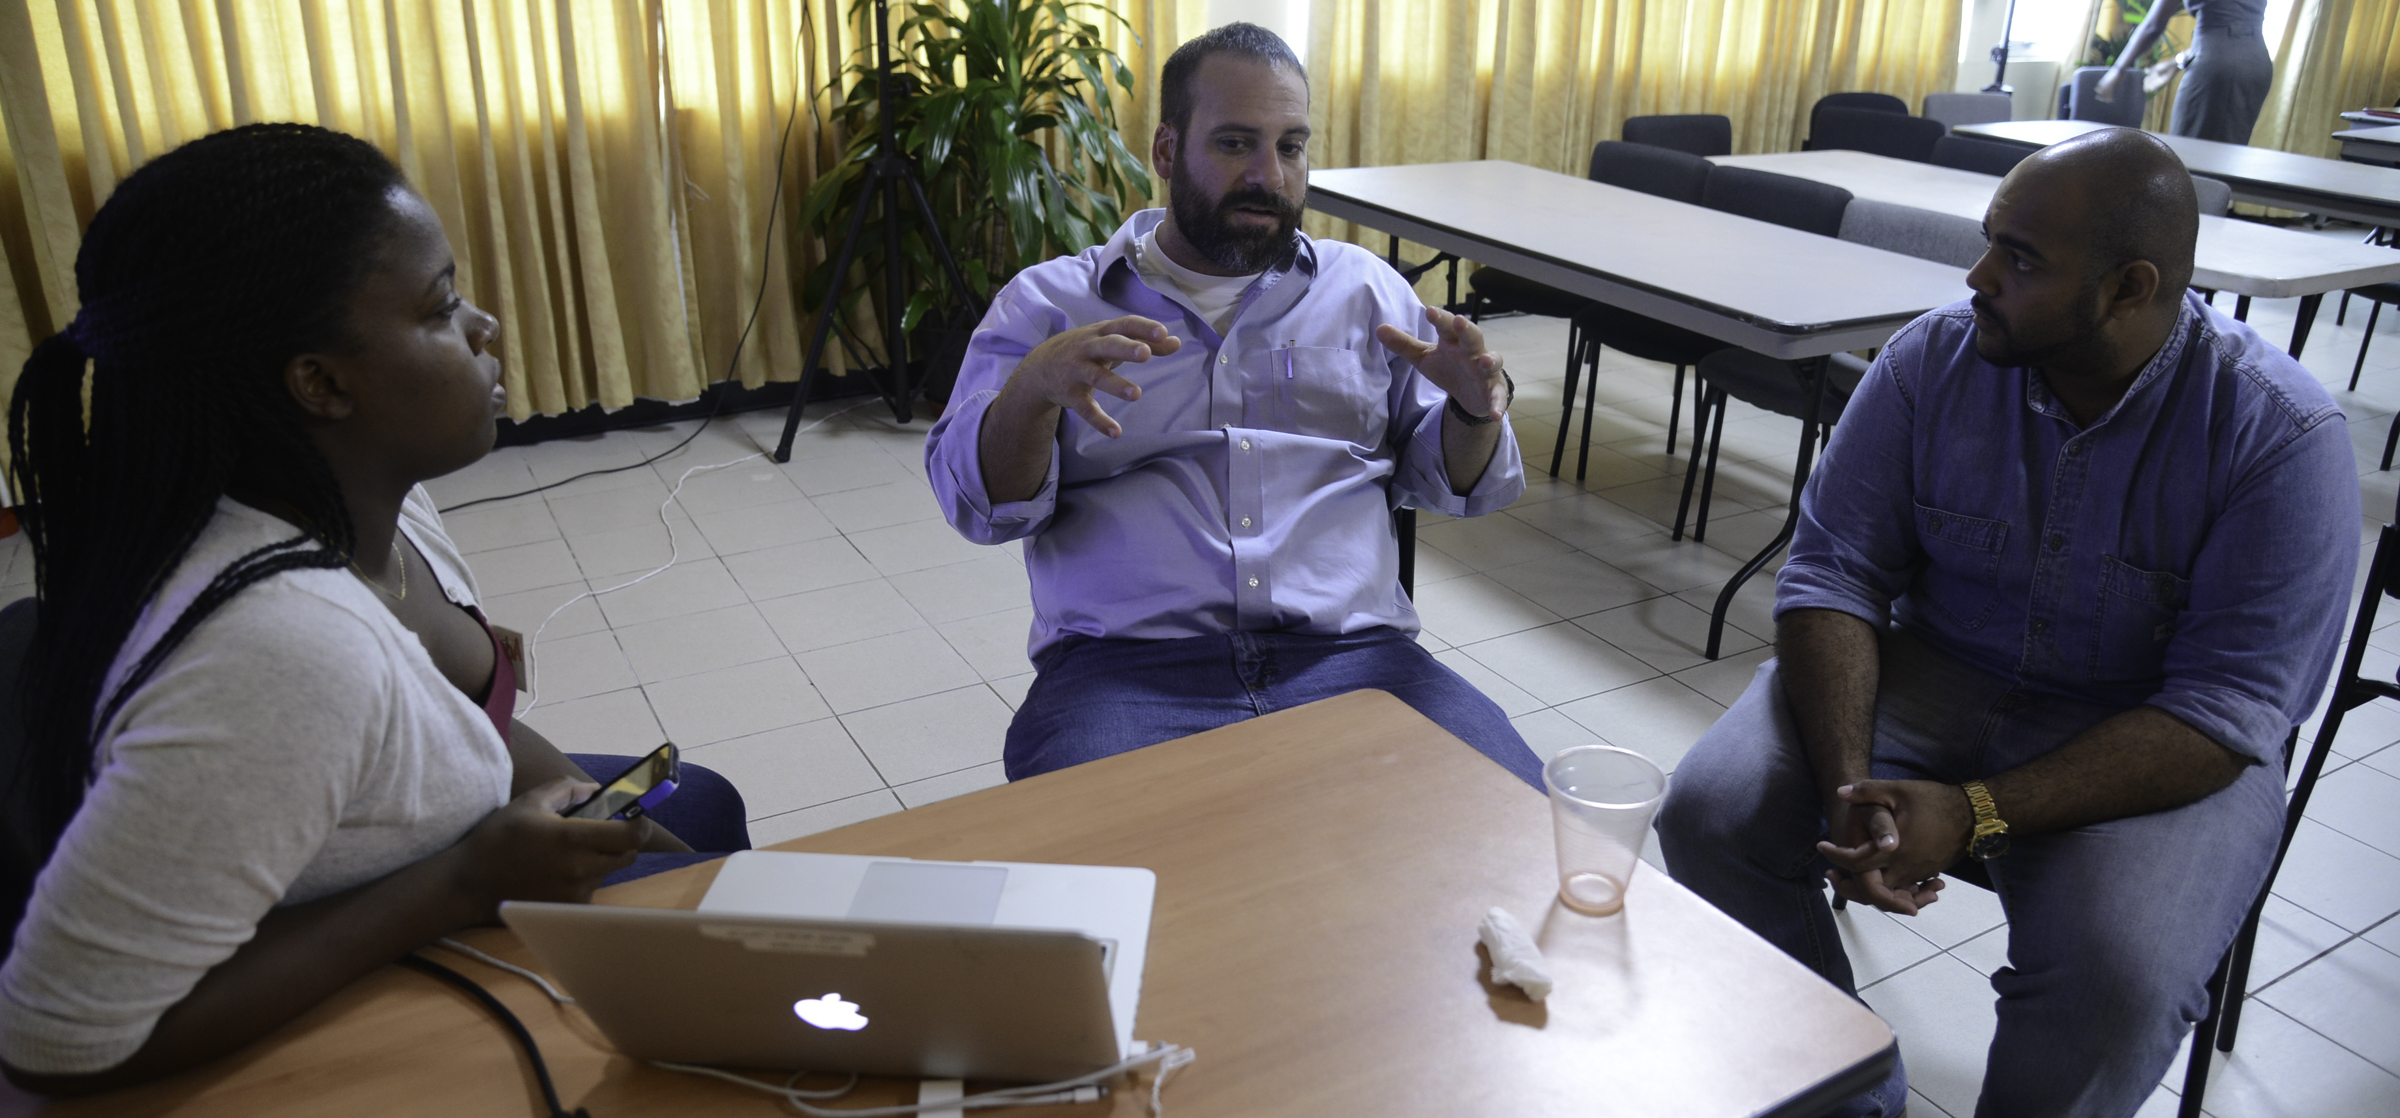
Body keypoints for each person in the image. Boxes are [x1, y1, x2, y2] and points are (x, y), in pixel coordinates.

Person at [0, 124, 750, 1094]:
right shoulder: (282, 650)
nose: (484, 325)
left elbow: (465, 709)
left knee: (698, 799)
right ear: (320, 381)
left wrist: (608, 823)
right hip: (412, 935)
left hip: (430, 840)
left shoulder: (347, 498)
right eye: (440, 308)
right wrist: (459, 883)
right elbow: (53, 1035)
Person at [1654, 129, 2357, 1117]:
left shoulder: (2278, 436)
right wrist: (1849, 774)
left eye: (2020, 258)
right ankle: (1843, 1091)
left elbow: (2223, 713)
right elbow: (1833, 571)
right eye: (1990, 242)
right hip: (1939, 669)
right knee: (1712, 810)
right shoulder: (1933, 357)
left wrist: (1972, 810)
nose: (1978, 276)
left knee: (2117, 973)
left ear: (2127, 288)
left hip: (2152, 729)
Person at [924, 23, 1542, 788]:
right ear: (1165, 152)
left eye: (1290, 147)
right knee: (1104, 893)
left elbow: (1451, 483)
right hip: (1126, 678)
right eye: (1235, 143)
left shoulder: (1366, 293)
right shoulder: (1052, 303)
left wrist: (1474, 413)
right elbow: (981, 507)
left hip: (1356, 661)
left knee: (1527, 837)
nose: (1268, 174)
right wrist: (1032, 392)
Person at [2095, 0, 2275, 145]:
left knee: (2189, 155)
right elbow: (2235, 25)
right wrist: (2180, 60)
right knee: (2227, 155)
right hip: (2256, 62)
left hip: (2217, 65)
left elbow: (2153, 26)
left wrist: (2118, 69)